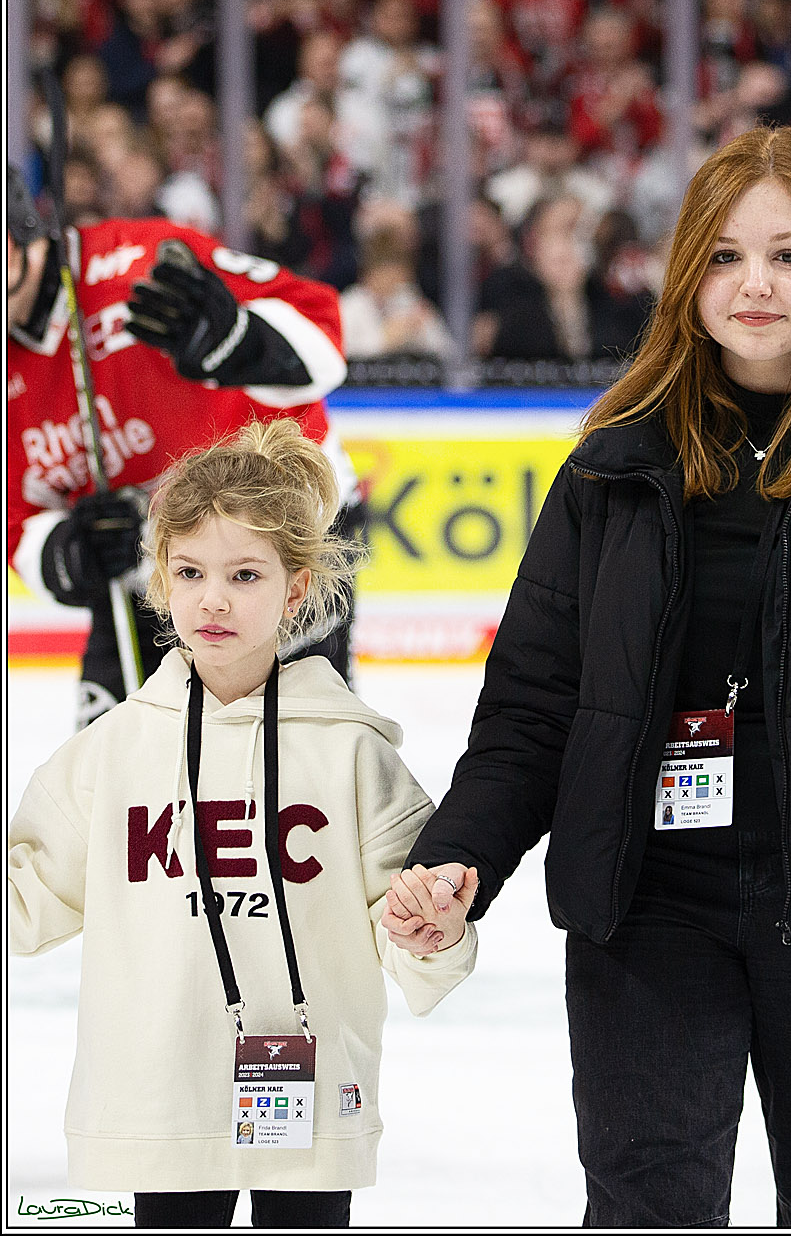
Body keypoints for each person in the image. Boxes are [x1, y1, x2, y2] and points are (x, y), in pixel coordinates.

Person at [383, 125, 791, 1227]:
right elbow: (532, 706)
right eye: (723, 257)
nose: (753, 285)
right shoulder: (612, 467)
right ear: (686, 275)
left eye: (788, 256)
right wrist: (456, 858)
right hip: (652, 912)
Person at [8, 419, 477, 1230]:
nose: (213, 598)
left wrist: (433, 931)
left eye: (245, 573)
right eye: (189, 571)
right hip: (162, 1103)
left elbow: (416, 928)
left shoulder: (353, 753)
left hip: (314, 1095)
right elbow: (26, 900)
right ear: (160, 580)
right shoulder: (111, 750)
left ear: (296, 590)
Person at [7, 168, 359, 730]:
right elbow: (19, 522)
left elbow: (322, 336)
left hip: (280, 531)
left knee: (288, 755)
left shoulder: (139, 260)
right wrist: (73, 552)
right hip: (148, 573)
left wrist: (237, 341)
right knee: (113, 766)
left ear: (24, 231)